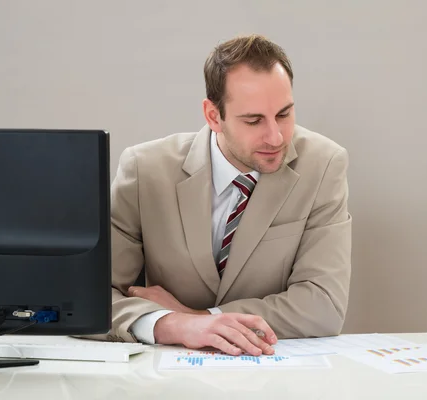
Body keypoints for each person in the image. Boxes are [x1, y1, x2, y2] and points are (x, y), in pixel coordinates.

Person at [103, 34, 352, 357]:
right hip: (167, 378)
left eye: (284, 114)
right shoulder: (145, 170)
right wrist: (172, 325)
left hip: (278, 377)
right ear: (212, 116)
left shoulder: (323, 164)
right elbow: (90, 299)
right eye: (254, 120)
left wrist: (200, 320)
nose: (276, 136)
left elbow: (323, 305)